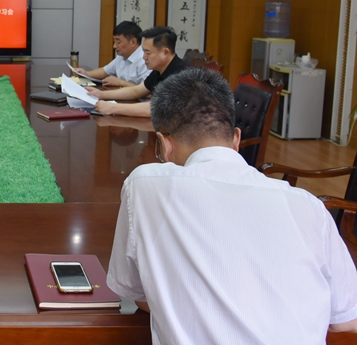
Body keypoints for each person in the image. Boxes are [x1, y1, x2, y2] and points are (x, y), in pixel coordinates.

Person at [106, 67, 357, 344]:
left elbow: (134, 291)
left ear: (165, 145)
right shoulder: (310, 206)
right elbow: (346, 320)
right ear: (236, 139)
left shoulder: (145, 185)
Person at [85, 26, 187, 117]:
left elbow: (156, 109)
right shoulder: (159, 70)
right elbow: (136, 91)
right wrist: (101, 94)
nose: (144, 57)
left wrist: (112, 108)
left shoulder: (181, 75)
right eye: (143, 52)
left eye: (148, 53)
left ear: (165, 52)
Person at [75, 21, 149, 87]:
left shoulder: (145, 60)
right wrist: (86, 73)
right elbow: (104, 71)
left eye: (118, 42)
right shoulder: (121, 57)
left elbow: (148, 92)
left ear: (133, 42)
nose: (114, 46)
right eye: (114, 42)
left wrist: (120, 83)